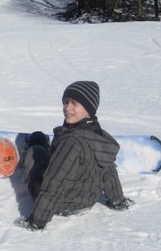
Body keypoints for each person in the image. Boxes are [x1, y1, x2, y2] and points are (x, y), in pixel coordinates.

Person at [16, 81, 133, 231]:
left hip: (61, 204)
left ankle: (36, 145)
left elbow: (55, 182)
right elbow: (108, 169)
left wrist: (37, 222)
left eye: (75, 103)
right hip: (86, 201)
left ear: (89, 109)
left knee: (36, 151)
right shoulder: (98, 136)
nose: (67, 108)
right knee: (51, 151)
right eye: (66, 102)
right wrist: (117, 200)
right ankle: (44, 145)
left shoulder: (71, 144)